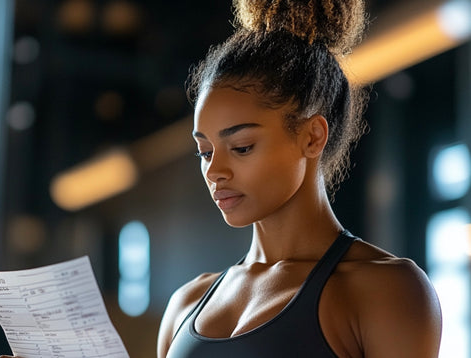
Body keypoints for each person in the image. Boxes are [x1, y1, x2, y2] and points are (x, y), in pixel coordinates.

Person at [156, 0, 442, 357]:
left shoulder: (383, 290)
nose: (214, 171)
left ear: (312, 137)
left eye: (242, 147)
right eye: (205, 151)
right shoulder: (185, 304)